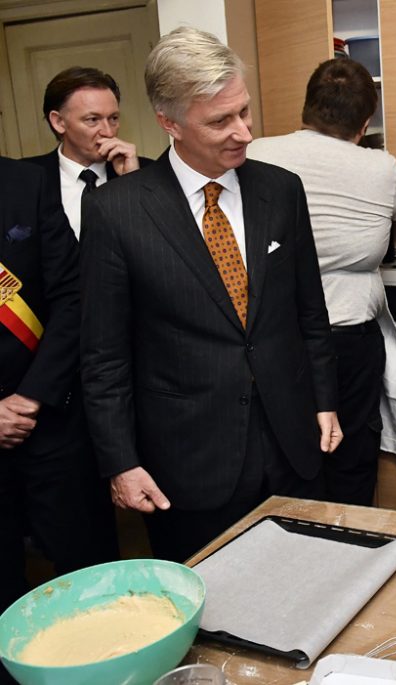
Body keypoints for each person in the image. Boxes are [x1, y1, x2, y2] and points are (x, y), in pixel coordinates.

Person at [79, 27, 341, 563]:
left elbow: (309, 311)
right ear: (168, 122)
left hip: (293, 443)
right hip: (188, 460)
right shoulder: (118, 211)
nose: (243, 132)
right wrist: (120, 463)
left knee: (306, 585)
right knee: (212, 611)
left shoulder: (281, 190)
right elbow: (104, 356)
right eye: (220, 121)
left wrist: (325, 401)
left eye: (244, 112)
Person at [247, 58, 396, 506]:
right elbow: (393, 211)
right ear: (366, 120)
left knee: (288, 451)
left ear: (305, 107)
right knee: (352, 453)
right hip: (350, 336)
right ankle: (354, 553)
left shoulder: (258, 152)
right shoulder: (383, 167)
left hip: (277, 334)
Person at [0, 157, 117, 617]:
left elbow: (72, 294)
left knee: (89, 571)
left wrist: (30, 397)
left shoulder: (26, 182)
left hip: (49, 413)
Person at [22, 67, 151, 237]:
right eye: (92, 120)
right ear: (59, 122)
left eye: (113, 118)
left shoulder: (148, 173)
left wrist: (131, 183)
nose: (108, 132)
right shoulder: (25, 178)